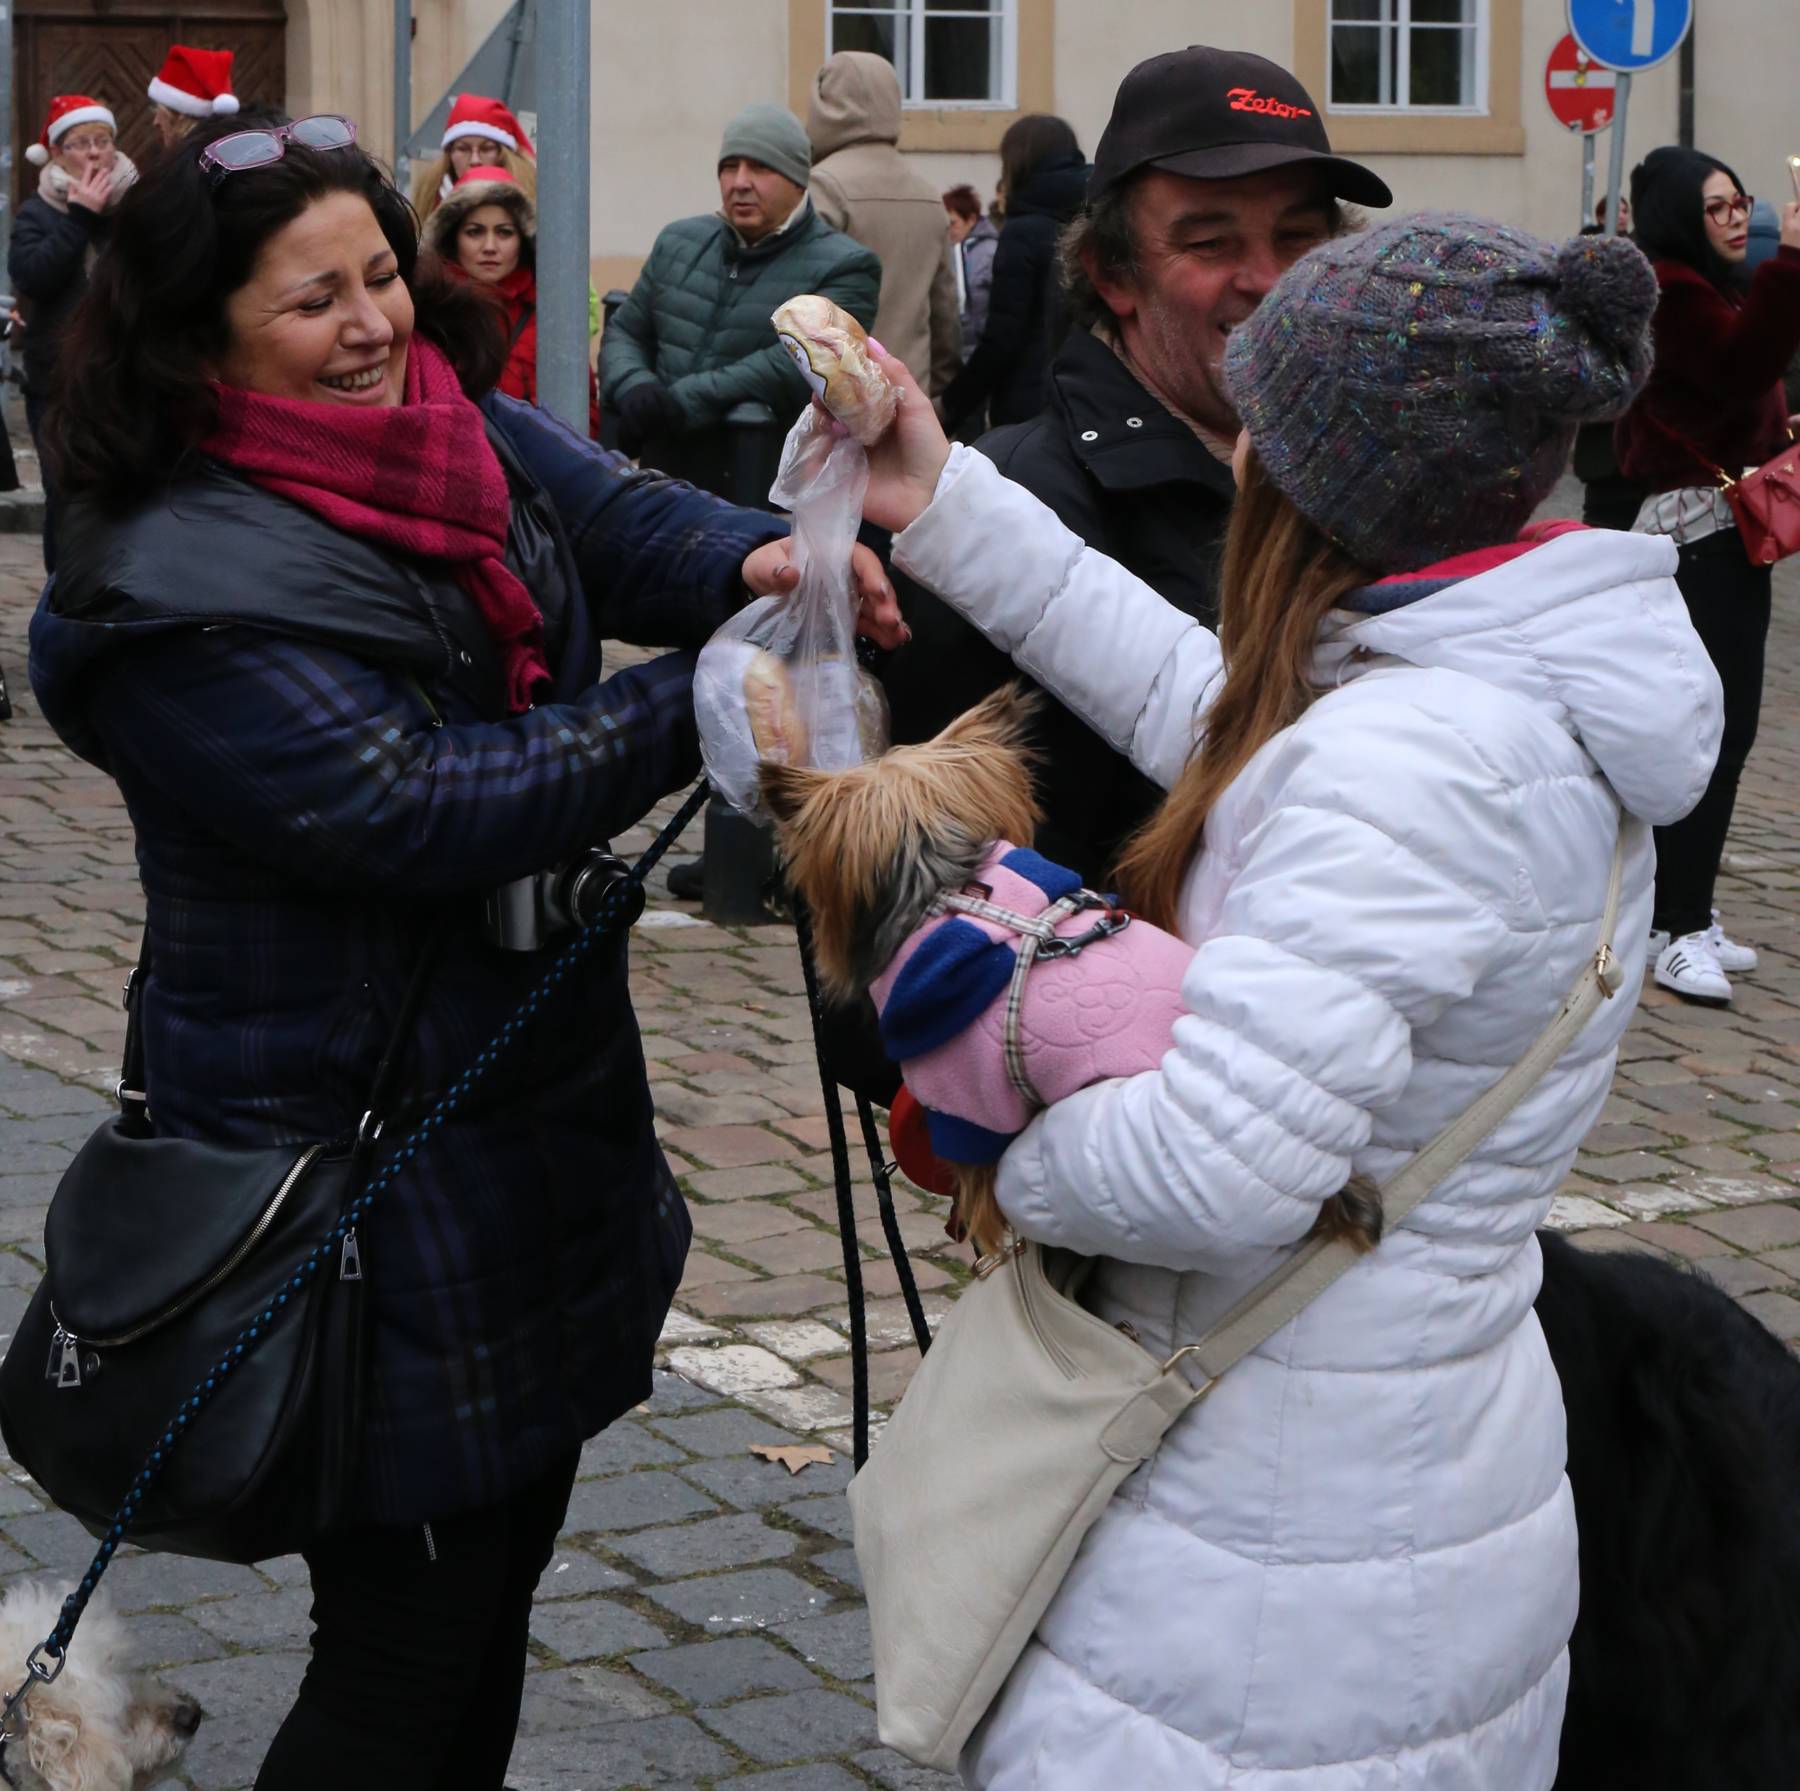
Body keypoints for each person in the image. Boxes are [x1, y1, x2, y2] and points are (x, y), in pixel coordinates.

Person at [27, 107, 899, 1788]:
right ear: (199, 332)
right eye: (313, 301)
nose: (372, 323)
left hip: (525, 1115)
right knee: (405, 1653)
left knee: (490, 1603)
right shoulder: (162, 578)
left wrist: (760, 561)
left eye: (379, 273)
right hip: (344, 1160)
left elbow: (616, 520)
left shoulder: (451, 417)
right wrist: (696, 698)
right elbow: (411, 802)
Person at [857, 215, 1720, 1791]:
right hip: (1398, 1473)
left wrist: (992, 1145)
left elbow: (1215, 1171)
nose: (1239, 438)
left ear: (1329, 471)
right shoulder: (1495, 684)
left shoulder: (1410, 762)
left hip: (1277, 1575)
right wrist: (946, 496)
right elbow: (1206, 706)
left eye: (1266, 411)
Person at [883, 48, 1390, 886]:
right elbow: (939, 900)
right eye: (1211, 241)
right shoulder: (999, 514)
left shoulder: (1385, 485)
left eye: (1299, 238)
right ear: (1114, 273)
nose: (1268, 279)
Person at [1615, 147, 1800, 1006]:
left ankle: (1680, 912)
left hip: (1725, 535)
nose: (1735, 218)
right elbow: (1740, 367)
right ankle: (1677, 927)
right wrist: (1789, 259)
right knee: (1711, 731)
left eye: (1740, 203)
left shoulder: (1702, 288)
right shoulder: (1674, 290)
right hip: (1699, 539)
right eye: (1717, 207)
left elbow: (1736, 390)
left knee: (1725, 729)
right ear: (1680, 216)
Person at [600, 103, 880, 462]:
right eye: (730, 167)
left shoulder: (846, 266)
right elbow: (626, 331)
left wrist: (681, 402)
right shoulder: (677, 242)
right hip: (664, 468)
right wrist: (635, 386)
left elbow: (795, 365)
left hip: (762, 478)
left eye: (760, 167)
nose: (740, 183)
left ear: (797, 180)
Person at [8, 94, 138, 570]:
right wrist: (79, 217)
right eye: (81, 144)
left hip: (124, 377)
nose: (95, 153)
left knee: (121, 496)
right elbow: (32, 277)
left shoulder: (135, 206)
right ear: (57, 153)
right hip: (56, 382)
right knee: (64, 497)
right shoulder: (38, 212)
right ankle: (63, 595)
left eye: (103, 141)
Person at [807, 50, 961, 399]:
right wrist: (936, 395)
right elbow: (945, 315)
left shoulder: (822, 186)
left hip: (840, 400)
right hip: (910, 393)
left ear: (822, 105)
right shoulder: (928, 195)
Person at [937, 113, 1087, 434]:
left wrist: (950, 407)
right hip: (1085, 398)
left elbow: (1003, 338)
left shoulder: (1023, 231)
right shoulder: (1093, 216)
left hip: (1028, 405)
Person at [423, 164, 599, 436]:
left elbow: (585, 412)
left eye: (504, 232)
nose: (490, 247)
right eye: (475, 232)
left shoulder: (552, 315)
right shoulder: (429, 316)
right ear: (452, 238)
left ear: (523, 240)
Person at [409, 94, 538, 224]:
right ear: (449, 156)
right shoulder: (428, 210)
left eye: (486, 149)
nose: (475, 160)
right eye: (462, 149)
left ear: (504, 155)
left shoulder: (530, 214)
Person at [147, 43, 239, 149]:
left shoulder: (196, 157)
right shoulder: (219, 151)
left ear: (180, 116)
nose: (156, 122)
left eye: (162, 113)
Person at [943, 184, 997, 356]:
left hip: (982, 346)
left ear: (971, 219)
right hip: (955, 346)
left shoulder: (990, 252)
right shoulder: (947, 251)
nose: (949, 230)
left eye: (953, 223)